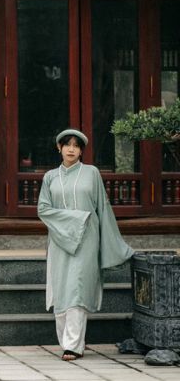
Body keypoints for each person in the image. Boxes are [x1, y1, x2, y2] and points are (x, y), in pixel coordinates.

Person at [37, 129, 134, 361]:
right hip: (60, 241)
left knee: (77, 289)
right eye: (67, 144)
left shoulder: (92, 173)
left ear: (81, 150)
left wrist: (112, 244)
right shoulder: (50, 177)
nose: (71, 149)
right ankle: (68, 342)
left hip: (87, 240)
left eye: (76, 145)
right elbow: (43, 209)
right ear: (58, 148)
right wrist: (76, 218)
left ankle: (73, 345)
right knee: (61, 290)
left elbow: (103, 208)